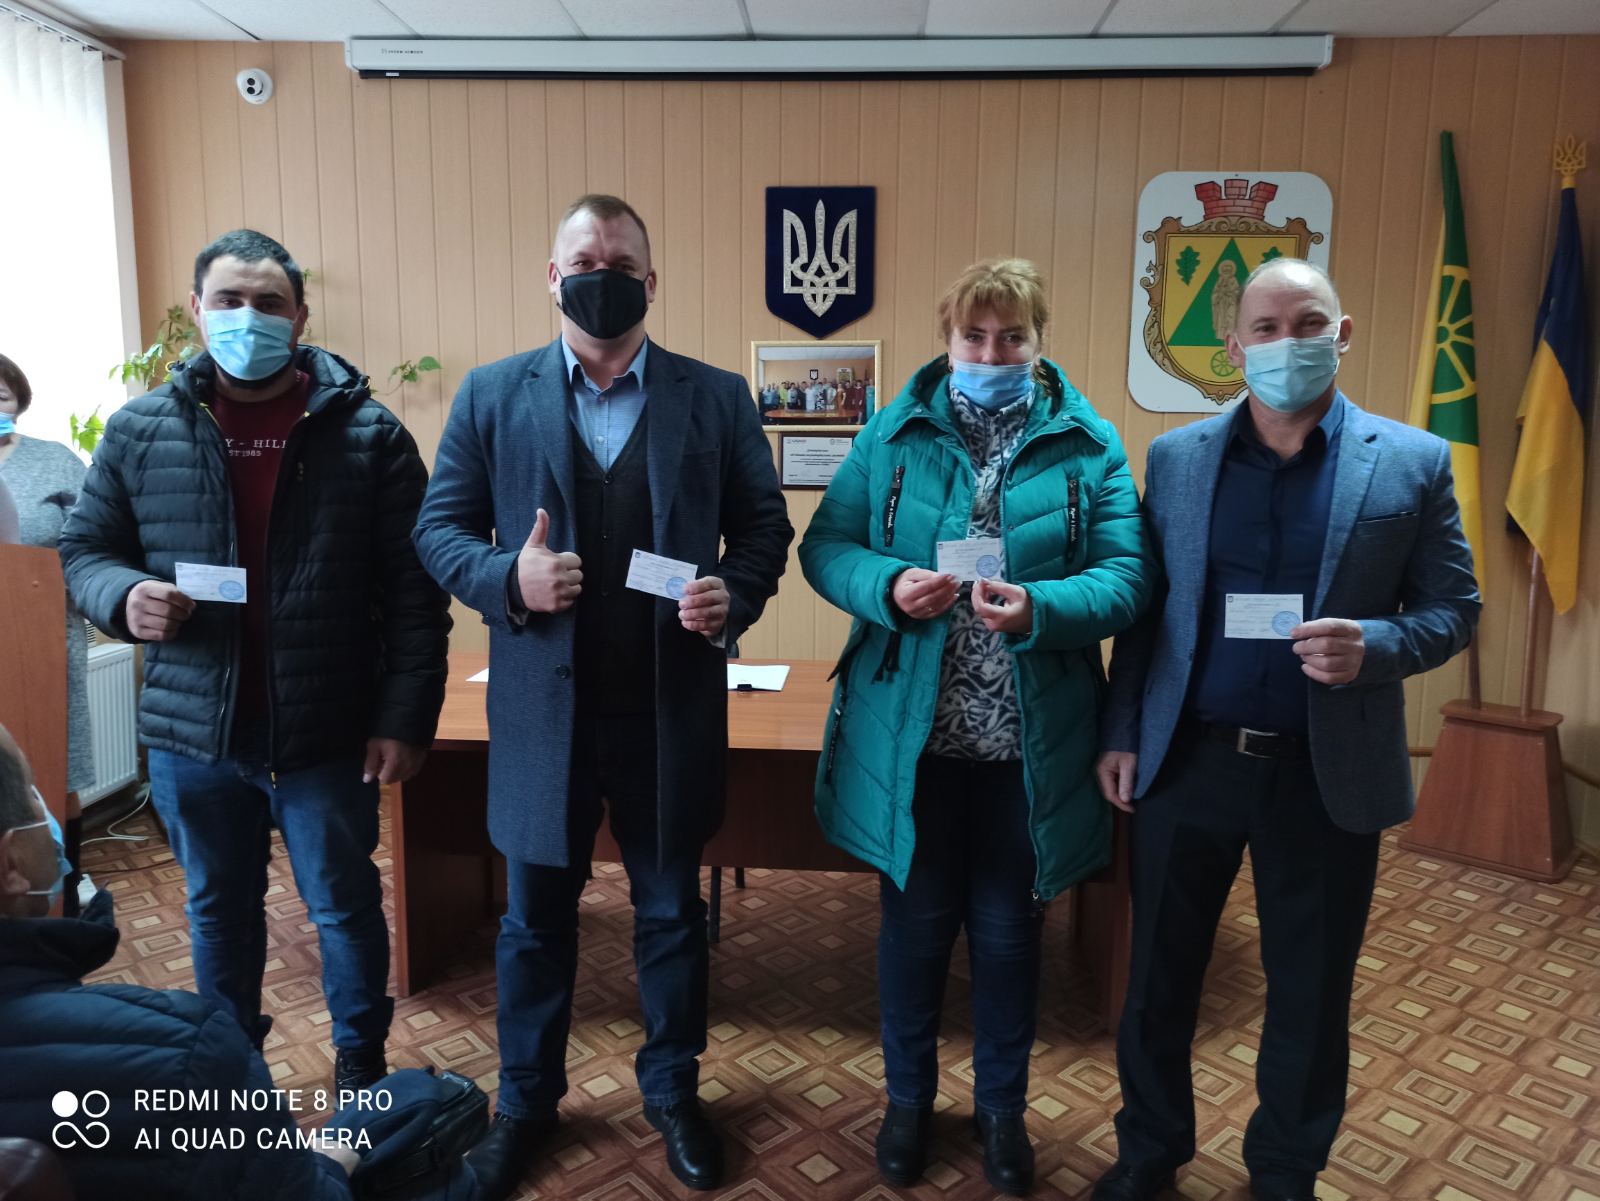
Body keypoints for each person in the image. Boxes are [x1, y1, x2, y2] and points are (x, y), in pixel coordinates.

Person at [414, 193, 792, 1199]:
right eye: (584, 261)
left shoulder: (715, 397)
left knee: (670, 917)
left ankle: (673, 1091)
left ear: (650, 282)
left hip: (669, 714)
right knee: (534, 923)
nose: (602, 276)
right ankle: (525, 1104)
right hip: (543, 718)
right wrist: (508, 578)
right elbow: (438, 529)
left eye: (622, 264)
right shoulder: (492, 395)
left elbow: (765, 529)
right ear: (553, 277)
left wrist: (734, 590)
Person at [1093, 258, 1480, 1201]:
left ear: (1340, 335)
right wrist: (1122, 727)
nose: (1286, 344)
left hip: (1324, 772)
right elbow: (1148, 611)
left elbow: (1454, 608)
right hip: (1190, 759)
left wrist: (1377, 645)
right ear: (1234, 349)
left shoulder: (1412, 460)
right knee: (1157, 980)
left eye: (1307, 324)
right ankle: (1149, 1152)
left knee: (1310, 989)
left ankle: (1284, 1171)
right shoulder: (1178, 459)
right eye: (1265, 329)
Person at [59, 229, 451, 1096]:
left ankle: (360, 1064)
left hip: (327, 730)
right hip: (194, 732)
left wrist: (405, 715)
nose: (249, 317)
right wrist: (123, 594)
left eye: (269, 303)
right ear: (197, 311)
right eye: (229, 301)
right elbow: (85, 549)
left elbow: (416, 592)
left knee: (343, 905)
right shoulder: (140, 429)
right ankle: (232, 1070)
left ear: (300, 317)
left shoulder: (370, 435)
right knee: (217, 911)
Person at [799, 258, 1153, 1196]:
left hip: (1027, 751)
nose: (992, 354)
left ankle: (1001, 1110)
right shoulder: (892, 432)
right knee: (914, 934)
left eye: (1012, 337)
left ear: (1039, 342)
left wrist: (1042, 607)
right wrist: (885, 586)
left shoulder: (1089, 444)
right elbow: (825, 547)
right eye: (974, 336)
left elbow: (1127, 578)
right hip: (911, 743)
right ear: (948, 339)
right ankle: (907, 1102)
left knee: (1007, 937)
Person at [0, 721, 360, 1200]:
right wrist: (331, 1165)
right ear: (10, 864)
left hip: (312, 738)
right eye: (31, 790)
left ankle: (359, 1065)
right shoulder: (185, 1052)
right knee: (398, 1114)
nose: (46, 807)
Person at [0, 354, 93, 915]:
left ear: (19, 400)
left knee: (58, 766)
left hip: (45, 641)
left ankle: (64, 893)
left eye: (0, 394)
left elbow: (93, 544)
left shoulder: (55, 460)